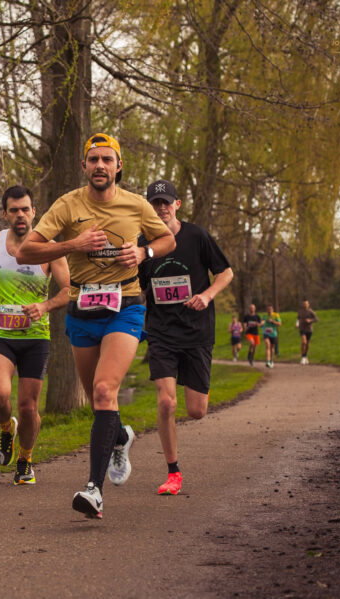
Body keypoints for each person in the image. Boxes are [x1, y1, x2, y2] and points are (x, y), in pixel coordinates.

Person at [16, 133, 175, 518]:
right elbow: (27, 249)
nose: (100, 166)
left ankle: (93, 490)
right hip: (82, 309)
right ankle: (120, 437)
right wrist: (74, 245)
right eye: (93, 160)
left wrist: (143, 251)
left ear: (118, 166)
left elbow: (167, 239)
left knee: (105, 392)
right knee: (97, 402)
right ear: (84, 166)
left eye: (107, 160)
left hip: (126, 304)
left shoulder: (136, 205)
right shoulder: (68, 205)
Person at [138, 179, 233, 496]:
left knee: (196, 411)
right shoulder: (143, 244)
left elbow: (226, 272)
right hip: (162, 331)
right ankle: (173, 472)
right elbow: (138, 287)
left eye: (166, 202)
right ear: (148, 208)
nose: (161, 208)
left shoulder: (197, 236)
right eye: (155, 203)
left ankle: (197, 384)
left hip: (196, 330)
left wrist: (206, 295)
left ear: (177, 204)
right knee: (166, 402)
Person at [0, 186, 71, 485]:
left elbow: (69, 290)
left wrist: (45, 305)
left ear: (34, 212)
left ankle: (25, 459)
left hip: (35, 338)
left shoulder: (50, 247)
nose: (20, 215)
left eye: (25, 209)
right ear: (5, 214)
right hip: (0, 334)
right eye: (14, 210)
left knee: (29, 408)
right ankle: (5, 428)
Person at [296, 299, 319, 364]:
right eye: (303, 304)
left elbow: (316, 319)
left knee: (307, 343)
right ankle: (303, 357)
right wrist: (297, 324)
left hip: (309, 329)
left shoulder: (311, 311)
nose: (305, 305)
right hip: (302, 328)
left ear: (308, 304)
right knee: (304, 342)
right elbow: (298, 318)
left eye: (306, 304)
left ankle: (305, 355)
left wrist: (310, 320)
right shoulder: (300, 311)